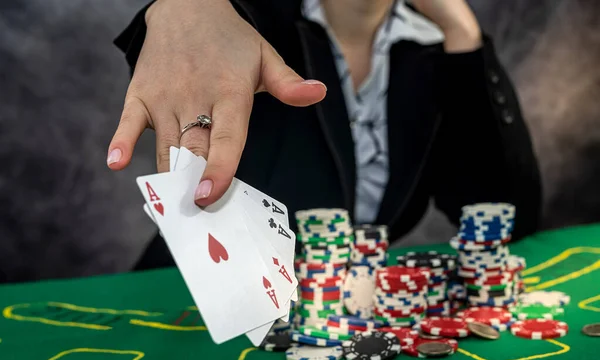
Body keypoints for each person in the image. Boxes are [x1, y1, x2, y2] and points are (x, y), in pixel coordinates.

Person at [109, 0, 542, 270]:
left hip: (331, 319)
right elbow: (201, 28)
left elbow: (506, 215)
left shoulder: (435, 50)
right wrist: (181, 6)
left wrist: (462, 35)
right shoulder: (249, 20)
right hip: (187, 292)